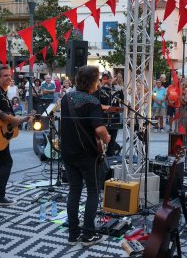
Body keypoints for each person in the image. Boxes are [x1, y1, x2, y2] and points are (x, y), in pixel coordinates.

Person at [60, 65, 111, 246]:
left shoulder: (66, 98)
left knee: (74, 191)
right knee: (92, 191)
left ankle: (73, 234)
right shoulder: (92, 101)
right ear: (92, 82)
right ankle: (88, 235)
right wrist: (107, 137)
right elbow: (99, 129)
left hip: (68, 152)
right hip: (86, 155)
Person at [0, 65, 29, 205]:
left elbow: (5, 116)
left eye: (9, 75)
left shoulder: (1, 92)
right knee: (7, 162)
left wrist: (22, 119)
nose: (9, 78)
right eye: (5, 76)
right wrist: (14, 120)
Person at [96, 71, 123, 156]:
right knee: (100, 142)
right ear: (101, 80)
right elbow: (95, 104)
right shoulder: (98, 91)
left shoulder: (117, 90)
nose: (106, 80)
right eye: (104, 79)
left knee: (112, 141)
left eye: (107, 78)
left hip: (114, 119)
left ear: (111, 79)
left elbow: (124, 102)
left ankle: (110, 160)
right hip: (102, 120)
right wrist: (105, 107)